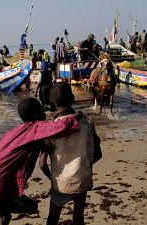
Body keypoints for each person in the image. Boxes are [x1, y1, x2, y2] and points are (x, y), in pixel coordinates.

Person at [0, 97, 81, 225]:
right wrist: (78, 116)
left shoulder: (16, 132)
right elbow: (61, 126)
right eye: (41, 108)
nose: (44, 111)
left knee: (29, 207)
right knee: (4, 217)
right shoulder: (35, 128)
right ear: (36, 114)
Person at [39, 82, 102, 225]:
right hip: (82, 180)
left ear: (52, 102)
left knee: (53, 218)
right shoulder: (87, 123)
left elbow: (42, 164)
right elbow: (98, 154)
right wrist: (83, 167)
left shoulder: (52, 128)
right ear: (73, 98)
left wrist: (53, 178)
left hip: (61, 183)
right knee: (78, 218)